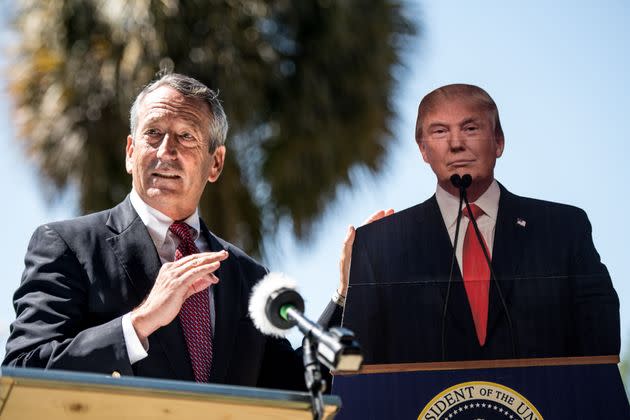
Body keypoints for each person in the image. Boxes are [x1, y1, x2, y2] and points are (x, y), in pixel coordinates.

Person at [3, 73, 344, 390]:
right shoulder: (67, 246)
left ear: (215, 164)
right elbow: (24, 372)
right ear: (130, 152)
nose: (166, 150)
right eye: (153, 133)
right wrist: (138, 323)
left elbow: (296, 389)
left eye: (186, 136)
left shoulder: (248, 277)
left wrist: (345, 296)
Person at [339, 84, 620, 364]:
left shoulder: (562, 229)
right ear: (423, 150)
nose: (456, 143)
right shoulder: (379, 245)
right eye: (440, 131)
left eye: (470, 128)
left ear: (498, 141)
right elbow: (354, 368)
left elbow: (600, 346)